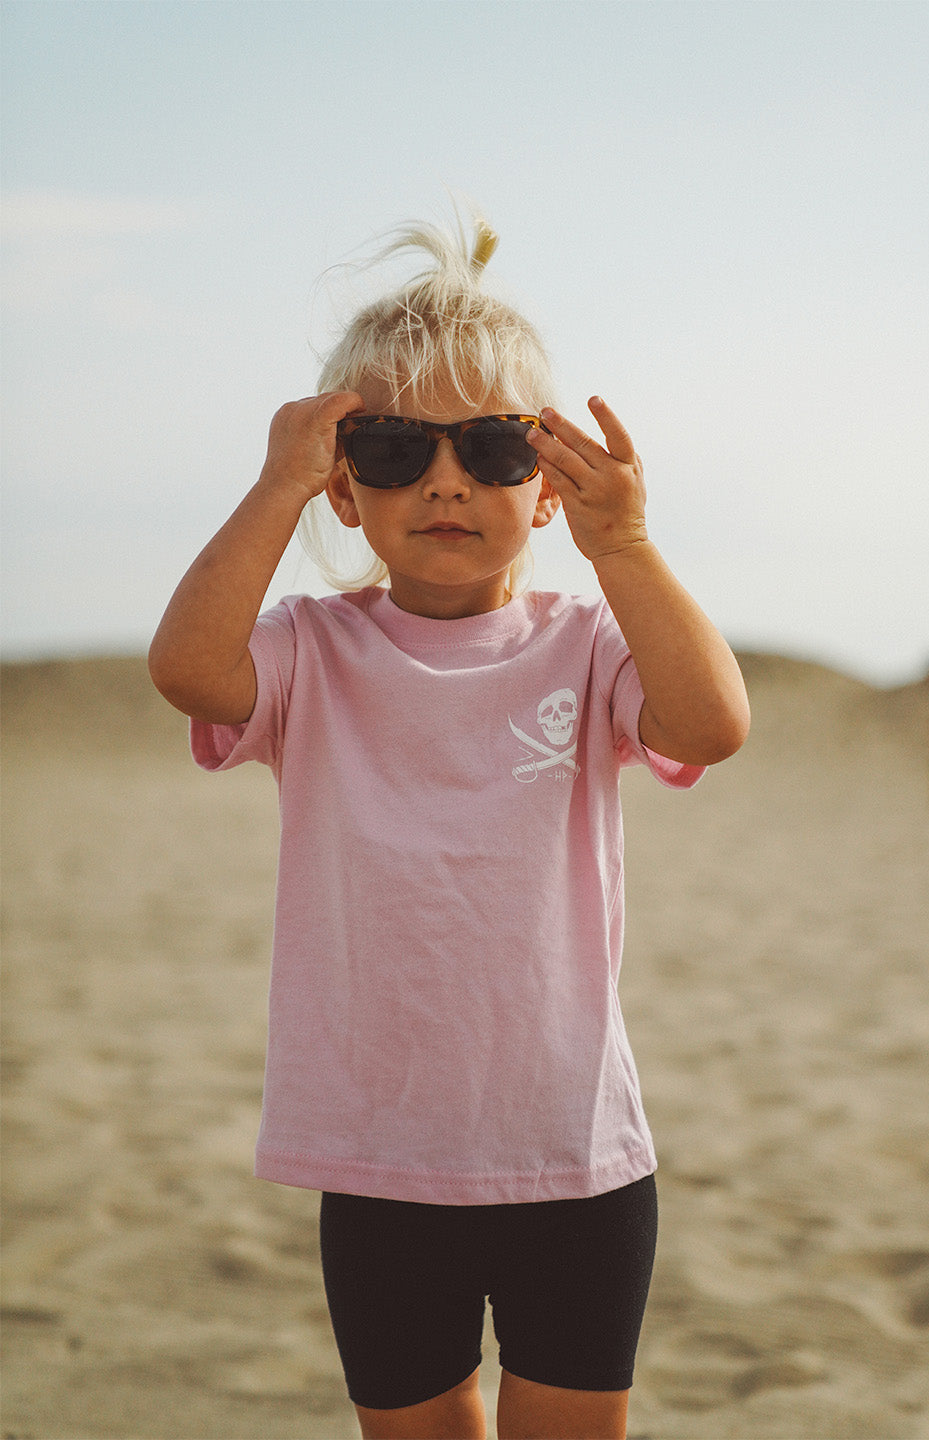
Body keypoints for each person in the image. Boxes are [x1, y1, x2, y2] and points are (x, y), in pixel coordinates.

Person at [148, 213, 750, 1440]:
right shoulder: (312, 652)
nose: (444, 481)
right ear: (343, 480)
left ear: (545, 486)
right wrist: (276, 486)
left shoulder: (585, 647)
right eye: (389, 446)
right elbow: (190, 670)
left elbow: (710, 721)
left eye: (488, 446)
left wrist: (624, 542)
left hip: (574, 1155)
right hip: (376, 1160)